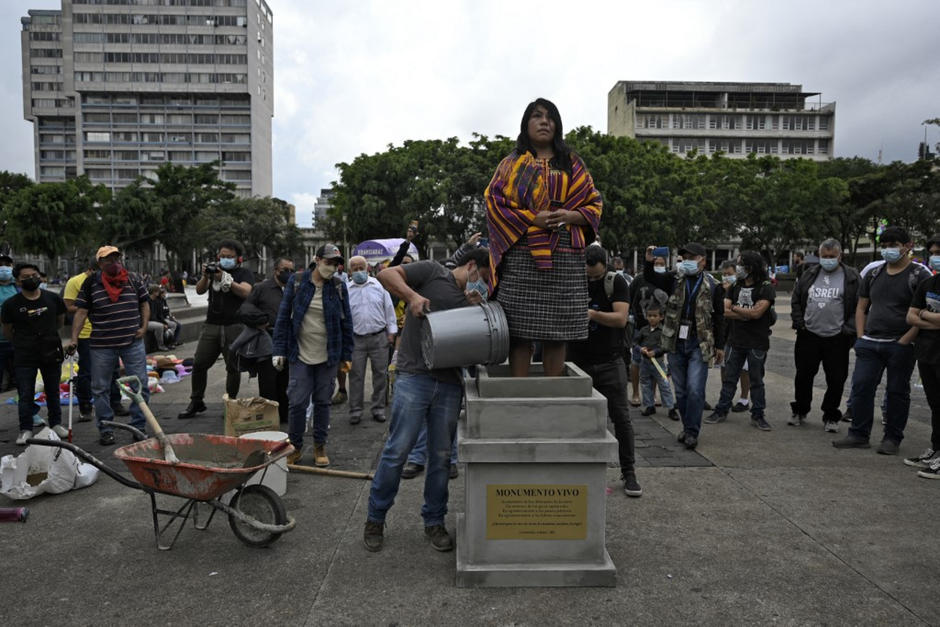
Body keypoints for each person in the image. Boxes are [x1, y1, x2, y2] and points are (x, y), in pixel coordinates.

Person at [363, 248, 491, 553]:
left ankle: (434, 521)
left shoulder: (468, 301)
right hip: (414, 377)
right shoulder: (433, 272)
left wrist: (473, 309)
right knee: (397, 451)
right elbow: (385, 274)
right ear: (472, 266)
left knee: (441, 457)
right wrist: (412, 296)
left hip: (449, 384)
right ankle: (375, 518)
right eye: (483, 277)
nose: (483, 285)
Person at [484, 97, 602, 377]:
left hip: (565, 257)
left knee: (557, 332)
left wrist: (570, 216)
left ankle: (551, 392)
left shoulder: (572, 163)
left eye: (550, 117)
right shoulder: (510, 165)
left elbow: (593, 202)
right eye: (537, 116)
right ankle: (519, 394)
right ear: (526, 124)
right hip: (523, 257)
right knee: (520, 332)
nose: (544, 121)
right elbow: (494, 202)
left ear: (557, 125)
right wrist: (531, 218)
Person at [833, 226, 932, 454]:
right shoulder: (874, 273)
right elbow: (862, 307)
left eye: (894, 245)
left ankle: (892, 439)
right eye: (885, 246)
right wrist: (860, 336)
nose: (888, 250)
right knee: (861, 387)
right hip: (870, 341)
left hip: (900, 344)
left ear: (907, 246)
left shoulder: (919, 274)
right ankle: (858, 434)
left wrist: (907, 340)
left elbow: (922, 311)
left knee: (897, 391)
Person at [567, 246, 641, 497]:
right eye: (589, 274)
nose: (592, 278)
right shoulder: (575, 280)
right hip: (578, 362)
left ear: (603, 266)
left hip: (610, 361)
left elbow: (620, 318)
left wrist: (593, 314)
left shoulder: (615, 281)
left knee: (621, 418)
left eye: (596, 274)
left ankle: (629, 472)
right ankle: (584, 472)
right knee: (581, 421)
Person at [272, 244, 353, 468]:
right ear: (316, 260)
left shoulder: (338, 286)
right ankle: (295, 446)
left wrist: (347, 354)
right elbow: (282, 317)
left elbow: (346, 322)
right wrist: (278, 350)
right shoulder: (297, 282)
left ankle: (320, 446)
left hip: (328, 355)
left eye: (336, 264)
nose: (332, 268)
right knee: (297, 402)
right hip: (300, 353)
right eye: (328, 263)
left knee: (323, 402)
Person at [644, 243, 724, 449]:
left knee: (695, 389)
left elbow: (721, 317)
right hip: (677, 341)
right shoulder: (675, 279)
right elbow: (652, 278)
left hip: (700, 342)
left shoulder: (714, 285)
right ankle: (688, 428)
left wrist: (721, 345)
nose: (687, 261)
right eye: (684, 257)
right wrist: (649, 260)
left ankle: (692, 432)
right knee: (680, 391)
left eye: (691, 257)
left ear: (703, 260)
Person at [68, 246, 151, 445]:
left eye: (116, 258)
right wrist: (74, 338)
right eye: (108, 259)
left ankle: (139, 426)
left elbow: (144, 303)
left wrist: (144, 326)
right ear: (100, 263)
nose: (113, 262)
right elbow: (81, 312)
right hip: (102, 345)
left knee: (140, 385)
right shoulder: (91, 283)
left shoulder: (133, 279)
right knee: (100, 388)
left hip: (132, 342)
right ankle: (106, 428)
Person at [789, 238, 860, 432]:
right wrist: (799, 322)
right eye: (824, 256)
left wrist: (849, 328)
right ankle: (800, 410)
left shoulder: (852, 277)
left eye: (831, 256)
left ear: (840, 256)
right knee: (803, 375)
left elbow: (859, 306)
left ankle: (831, 415)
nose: (827, 260)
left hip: (837, 337)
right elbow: (796, 299)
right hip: (808, 334)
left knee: (836, 379)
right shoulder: (809, 273)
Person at [178, 240, 254, 419]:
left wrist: (226, 280)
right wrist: (207, 276)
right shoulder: (213, 273)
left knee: (233, 367)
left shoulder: (244, 273)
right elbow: (198, 291)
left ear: (238, 258)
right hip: (211, 325)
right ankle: (196, 400)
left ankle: (231, 403)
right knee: (199, 364)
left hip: (235, 326)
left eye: (230, 257)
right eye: (222, 256)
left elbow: (246, 292)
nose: (225, 260)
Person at [706, 251, 775, 430]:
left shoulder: (765, 287)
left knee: (756, 380)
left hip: (757, 342)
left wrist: (737, 310)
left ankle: (758, 414)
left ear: (750, 267)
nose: (737, 268)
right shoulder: (736, 285)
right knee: (729, 378)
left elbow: (757, 313)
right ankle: (721, 410)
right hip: (735, 340)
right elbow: (724, 310)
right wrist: (746, 313)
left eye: (740, 264)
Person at [2, 264, 67, 445]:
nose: (32, 278)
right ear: (18, 281)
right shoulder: (11, 305)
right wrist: (22, 342)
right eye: (26, 276)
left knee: (53, 390)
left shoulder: (53, 299)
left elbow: (60, 322)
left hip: (50, 350)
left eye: (34, 274)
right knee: (25, 393)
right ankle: (26, 429)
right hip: (25, 354)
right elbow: (7, 331)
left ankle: (56, 423)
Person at [63, 259, 129, 422]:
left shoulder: (110, 281)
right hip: (86, 335)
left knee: (113, 371)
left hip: (107, 333)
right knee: (86, 372)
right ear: (93, 270)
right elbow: (68, 306)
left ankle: (116, 402)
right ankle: (85, 406)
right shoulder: (75, 282)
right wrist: (87, 306)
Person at [903, 234, 940, 476]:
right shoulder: (929, 285)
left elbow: (919, 314)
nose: (936, 258)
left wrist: (924, 315)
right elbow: (911, 316)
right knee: (936, 404)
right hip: (927, 352)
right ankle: (936, 450)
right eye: (933, 253)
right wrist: (931, 318)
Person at [346, 255, 397, 425]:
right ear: (350, 271)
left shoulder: (379, 286)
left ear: (367, 268)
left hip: (379, 337)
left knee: (380, 375)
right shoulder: (346, 290)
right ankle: (355, 410)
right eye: (355, 268)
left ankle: (378, 409)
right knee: (355, 376)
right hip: (355, 340)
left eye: (362, 267)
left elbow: (389, 310)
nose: (359, 271)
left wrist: (391, 332)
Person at [242, 257, 294, 424]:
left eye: (291, 271)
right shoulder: (262, 288)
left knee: (286, 380)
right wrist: (260, 320)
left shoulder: (294, 288)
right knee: (268, 381)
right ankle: (269, 417)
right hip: (268, 340)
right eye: (285, 270)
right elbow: (246, 308)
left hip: (289, 340)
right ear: (276, 271)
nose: (288, 274)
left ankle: (284, 416)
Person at [629, 255, 669, 407]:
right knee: (636, 360)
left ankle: (651, 395)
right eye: (655, 263)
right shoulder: (639, 279)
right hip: (640, 326)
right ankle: (635, 393)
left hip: (659, 329)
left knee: (656, 362)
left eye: (661, 263)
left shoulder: (666, 279)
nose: (658, 266)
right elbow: (629, 296)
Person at [716, 260, 751, 413]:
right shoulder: (718, 289)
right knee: (724, 366)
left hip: (742, 334)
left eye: (729, 274)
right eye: (723, 275)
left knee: (744, 368)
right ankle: (726, 397)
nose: (725, 277)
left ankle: (744, 399)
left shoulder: (742, 289)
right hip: (724, 334)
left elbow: (744, 312)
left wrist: (735, 312)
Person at [636, 304, 677, 420]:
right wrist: (640, 349)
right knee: (645, 384)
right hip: (645, 363)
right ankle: (649, 405)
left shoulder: (663, 331)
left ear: (661, 317)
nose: (652, 318)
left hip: (658, 363)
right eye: (649, 316)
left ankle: (670, 408)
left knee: (664, 384)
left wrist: (656, 352)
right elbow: (635, 343)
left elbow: (666, 347)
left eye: (655, 316)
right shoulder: (643, 330)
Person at [0, 253, 18, 393]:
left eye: (7, 265)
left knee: (19, 377)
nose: (4, 268)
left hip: (17, 338)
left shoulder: (18, 286)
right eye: (0, 265)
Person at [146, 285, 178, 351]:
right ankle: (161, 345)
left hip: (155, 320)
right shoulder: (147, 301)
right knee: (160, 326)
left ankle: (169, 341)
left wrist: (164, 322)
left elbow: (159, 315)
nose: (159, 293)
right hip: (146, 321)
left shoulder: (156, 301)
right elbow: (150, 317)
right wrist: (162, 324)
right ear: (154, 292)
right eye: (158, 291)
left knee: (173, 324)